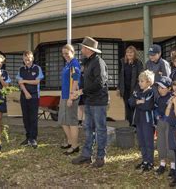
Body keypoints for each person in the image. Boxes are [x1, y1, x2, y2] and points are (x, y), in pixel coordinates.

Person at [72, 37, 109, 168]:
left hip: (99, 102)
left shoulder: (99, 63)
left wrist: (82, 91)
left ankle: (100, 157)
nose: (81, 49)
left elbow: (99, 83)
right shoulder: (88, 62)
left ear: (88, 49)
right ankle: (86, 156)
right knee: (88, 128)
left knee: (100, 129)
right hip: (89, 100)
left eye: (82, 47)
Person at [16, 50, 44, 149]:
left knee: (33, 118)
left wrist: (24, 81)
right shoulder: (21, 69)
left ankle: (33, 138)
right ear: (23, 59)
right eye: (25, 59)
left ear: (32, 58)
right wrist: (26, 92)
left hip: (34, 96)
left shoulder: (37, 68)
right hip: (24, 95)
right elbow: (20, 83)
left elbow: (37, 81)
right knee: (25, 117)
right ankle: (28, 137)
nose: (27, 61)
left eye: (29, 59)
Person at [129, 70, 155, 172]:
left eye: (142, 81)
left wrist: (138, 102)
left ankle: (150, 162)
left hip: (147, 121)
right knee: (142, 142)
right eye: (139, 81)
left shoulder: (151, 92)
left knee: (149, 142)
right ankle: (144, 161)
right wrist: (139, 101)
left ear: (148, 82)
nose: (139, 83)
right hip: (139, 120)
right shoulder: (138, 92)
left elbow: (147, 106)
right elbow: (131, 102)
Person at [59, 44, 81, 155]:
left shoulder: (74, 63)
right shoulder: (67, 64)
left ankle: (75, 145)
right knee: (63, 120)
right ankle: (70, 141)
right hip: (64, 95)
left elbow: (76, 81)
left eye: (67, 53)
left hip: (71, 96)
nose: (65, 55)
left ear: (73, 52)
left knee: (72, 121)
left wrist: (71, 97)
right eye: (63, 54)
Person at [153, 76, 175, 176]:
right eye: (158, 87)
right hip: (160, 122)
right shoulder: (158, 98)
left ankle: (173, 166)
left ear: (169, 88)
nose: (160, 90)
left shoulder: (173, 97)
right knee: (160, 143)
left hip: (170, 123)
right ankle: (162, 164)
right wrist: (156, 115)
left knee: (169, 143)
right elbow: (155, 108)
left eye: (162, 87)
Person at [118, 45, 143, 126]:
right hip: (125, 89)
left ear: (134, 53)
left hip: (135, 89)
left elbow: (140, 76)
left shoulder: (138, 63)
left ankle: (135, 124)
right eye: (128, 52)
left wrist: (138, 89)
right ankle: (129, 123)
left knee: (133, 105)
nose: (129, 54)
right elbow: (120, 76)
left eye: (131, 52)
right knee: (127, 106)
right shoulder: (123, 62)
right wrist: (119, 88)